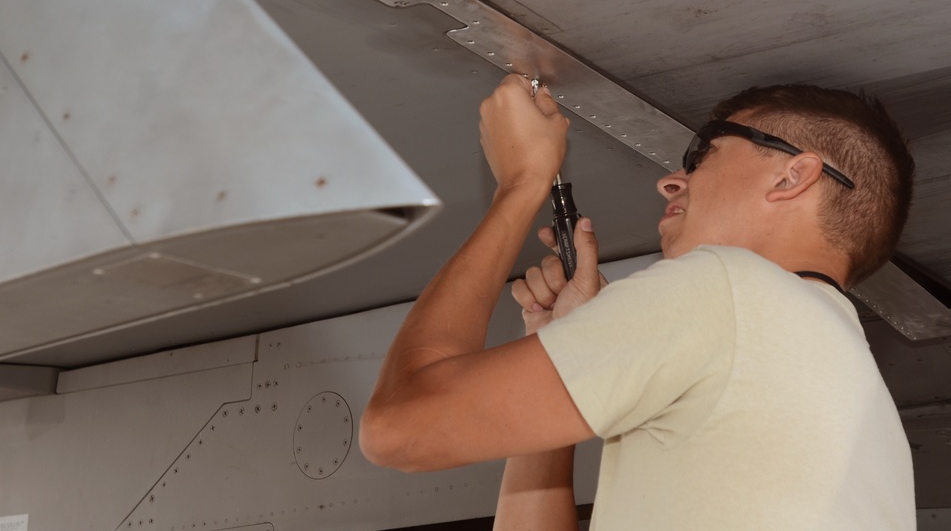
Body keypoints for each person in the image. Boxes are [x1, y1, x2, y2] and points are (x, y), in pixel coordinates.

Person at [359, 73, 916, 530]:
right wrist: (555, 350)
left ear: (793, 175)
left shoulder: (727, 289)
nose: (672, 182)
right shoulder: (850, 388)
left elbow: (399, 428)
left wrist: (523, 181)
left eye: (703, 154)